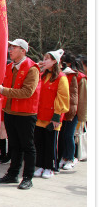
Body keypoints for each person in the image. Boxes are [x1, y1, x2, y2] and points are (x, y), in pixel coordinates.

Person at [0, 38, 41, 190]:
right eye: (10, 47)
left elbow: (27, 92)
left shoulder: (32, 68)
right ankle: (13, 174)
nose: (10, 50)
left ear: (23, 50)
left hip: (25, 113)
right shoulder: (9, 67)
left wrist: (4, 91)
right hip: (10, 111)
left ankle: (27, 177)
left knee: (27, 146)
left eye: (13, 48)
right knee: (14, 145)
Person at [33, 49, 69, 178]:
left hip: (52, 117)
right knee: (39, 142)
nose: (44, 61)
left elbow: (63, 98)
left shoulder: (61, 77)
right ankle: (41, 165)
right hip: (39, 115)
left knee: (50, 143)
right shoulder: (42, 75)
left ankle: (50, 167)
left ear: (55, 61)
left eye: (47, 59)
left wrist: (57, 116)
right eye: (44, 58)